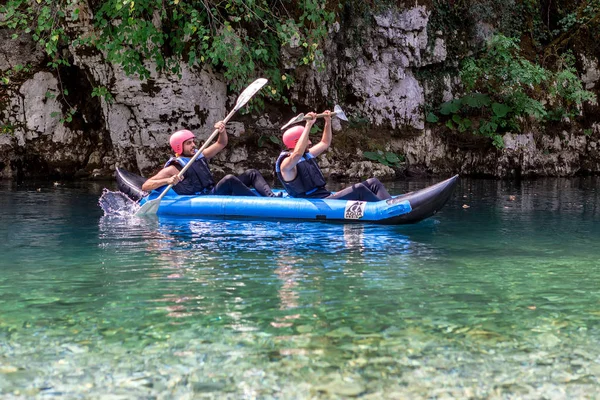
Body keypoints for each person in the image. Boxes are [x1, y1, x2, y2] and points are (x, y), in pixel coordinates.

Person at [275, 111, 392, 202]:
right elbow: (297, 154)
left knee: (373, 182)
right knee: (360, 189)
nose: (310, 142)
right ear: (297, 142)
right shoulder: (286, 165)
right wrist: (308, 125)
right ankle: (386, 212)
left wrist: (328, 121)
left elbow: (325, 143)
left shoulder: (307, 155)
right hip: (313, 202)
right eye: (307, 139)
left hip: (325, 197)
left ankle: (391, 203)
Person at [142, 121, 280, 197]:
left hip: (213, 190)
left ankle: (271, 198)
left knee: (252, 173)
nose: (193, 145)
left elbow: (221, 143)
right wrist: (168, 180)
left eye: (193, 142)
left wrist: (222, 131)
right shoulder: (174, 167)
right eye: (189, 143)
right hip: (205, 196)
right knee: (229, 179)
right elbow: (146, 185)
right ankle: (256, 203)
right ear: (179, 147)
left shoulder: (198, 155)